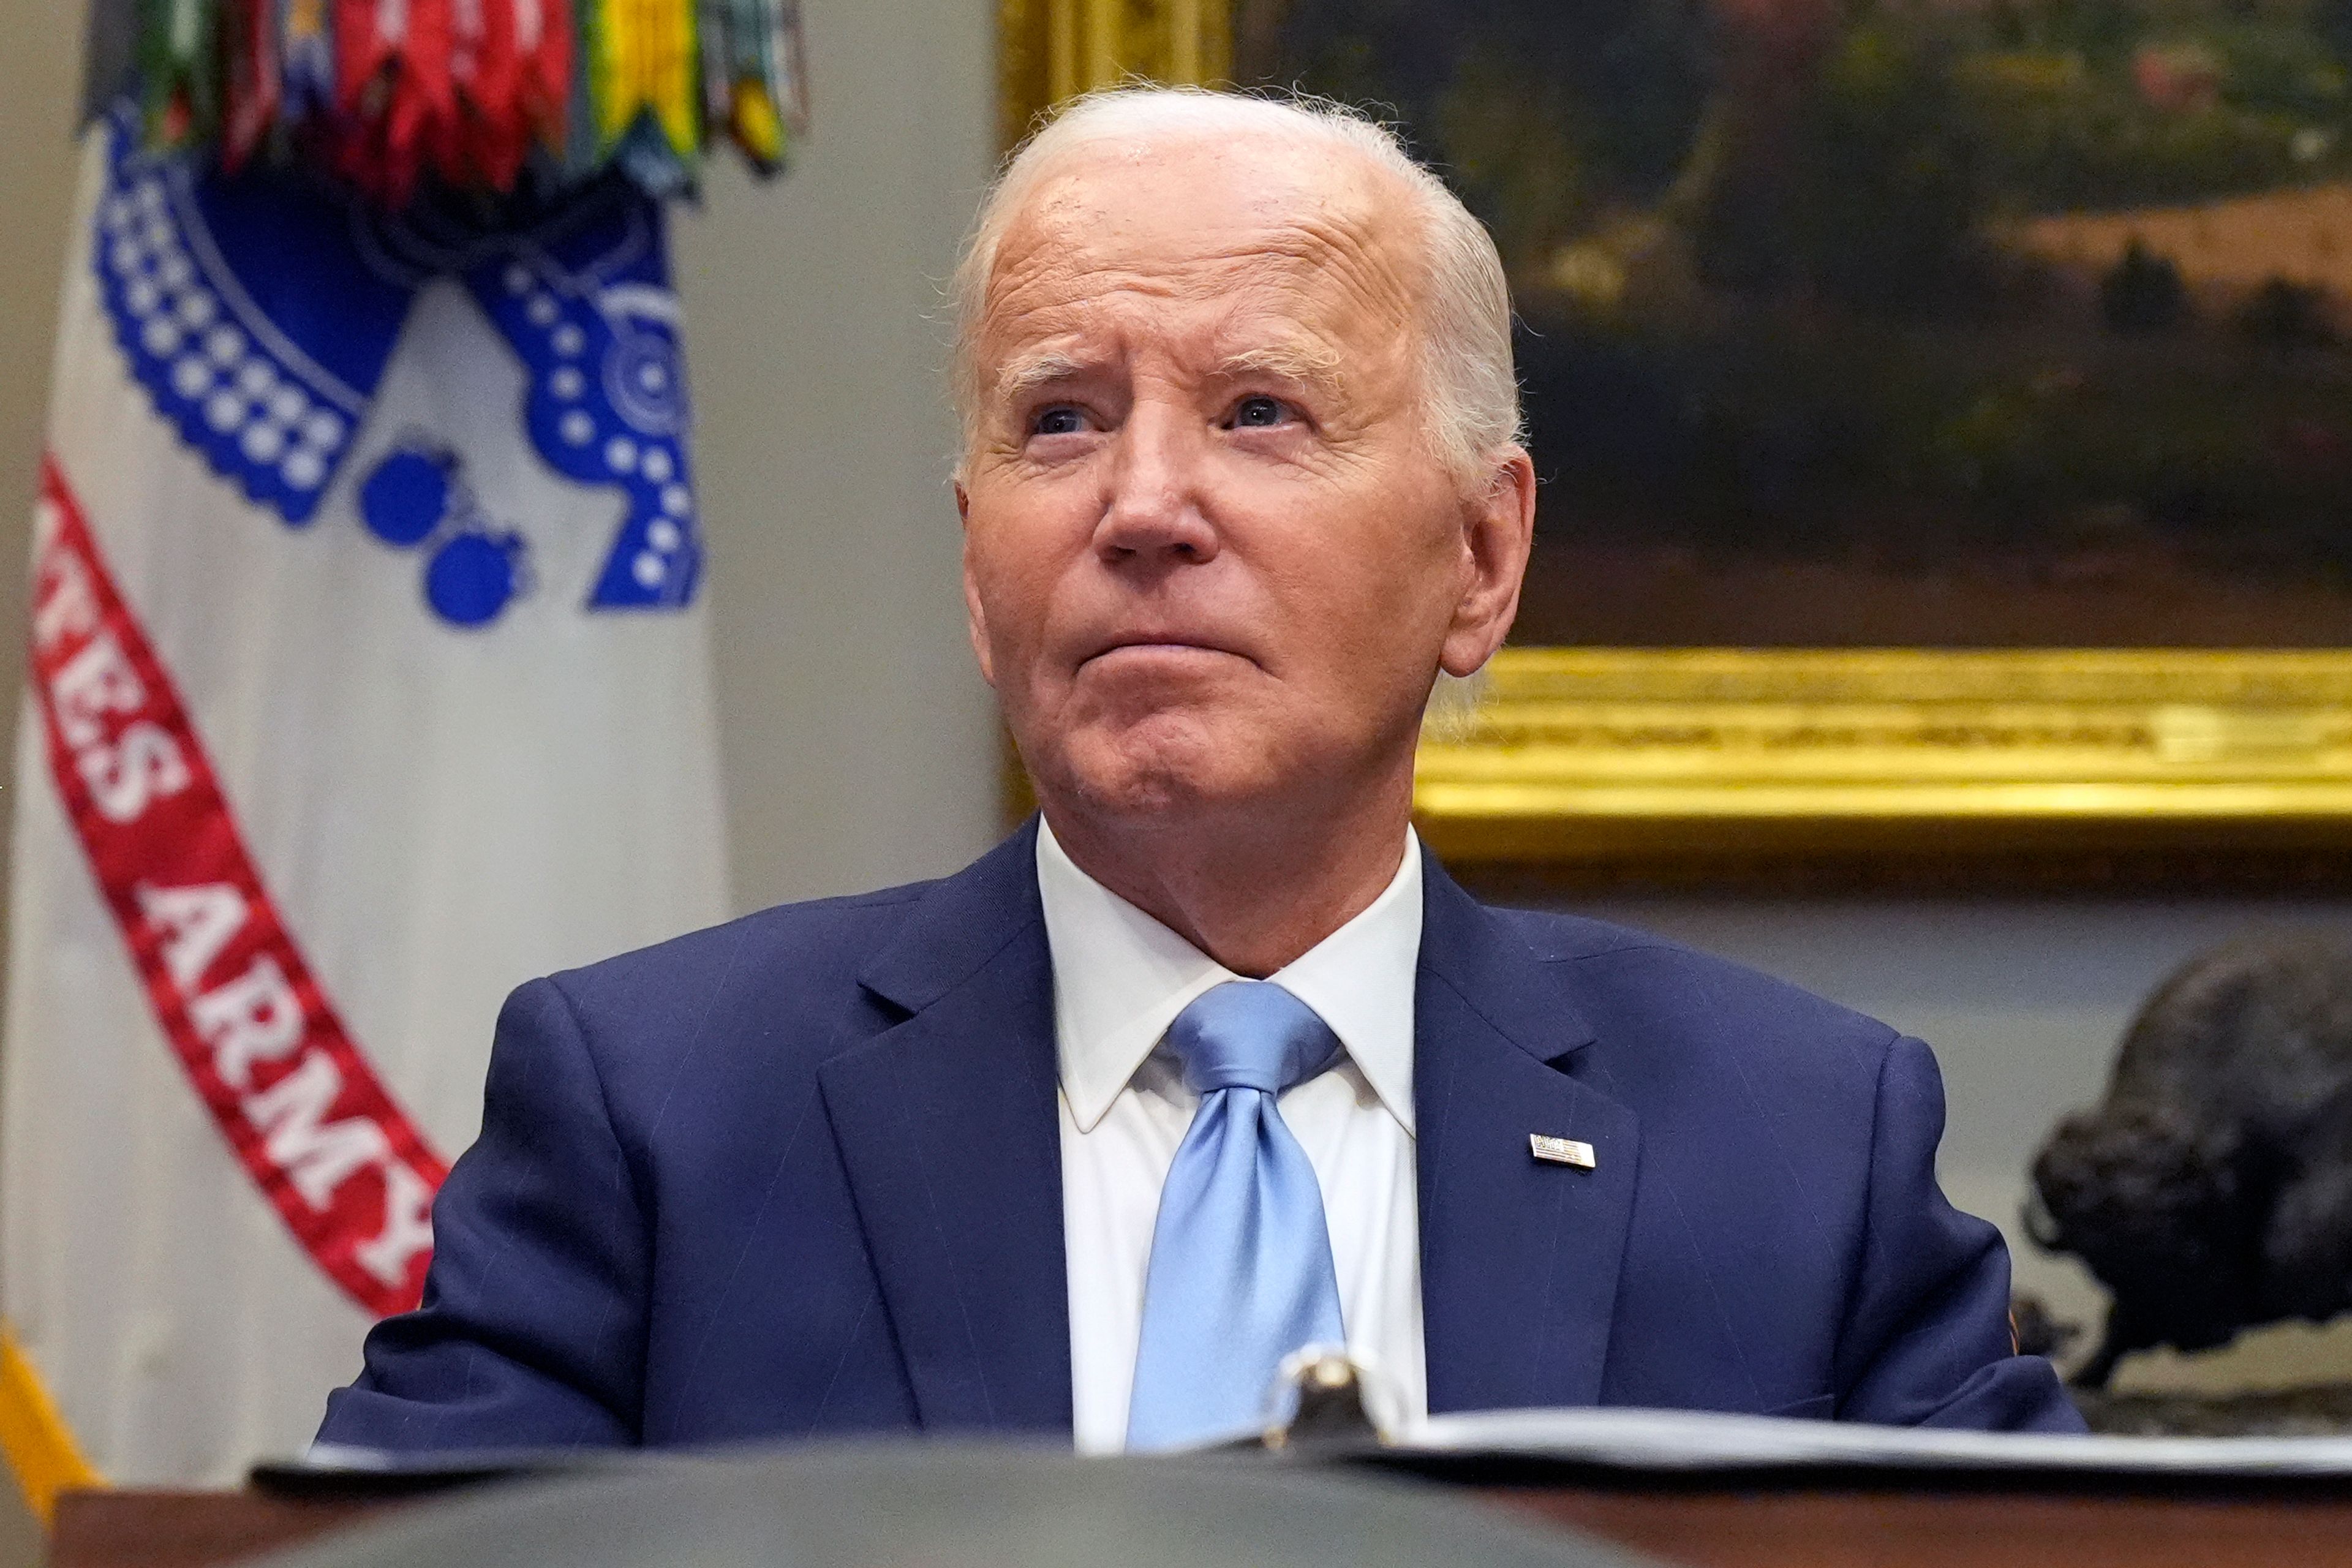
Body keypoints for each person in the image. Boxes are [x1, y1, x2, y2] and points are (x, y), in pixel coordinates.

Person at [317, 88, 2082, 1454]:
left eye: (1259, 412)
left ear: (1482, 560)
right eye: (1061, 419)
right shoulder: (657, 1117)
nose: (1143, 506)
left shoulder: (1799, 1149)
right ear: (973, 563)